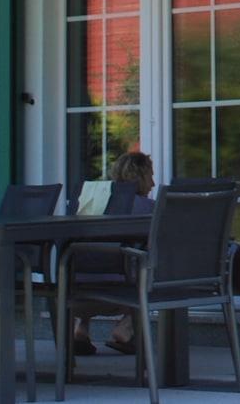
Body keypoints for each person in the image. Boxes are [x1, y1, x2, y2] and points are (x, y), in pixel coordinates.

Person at [70, 149, 155, 357]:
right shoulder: (148, 208)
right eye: (150, 176)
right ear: (141, 177)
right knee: (153, 264)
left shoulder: (90, 203)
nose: (153, 184)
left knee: (95, 256)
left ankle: (80, 328)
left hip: (73, 289)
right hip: (121, 291)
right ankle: (126, 328)